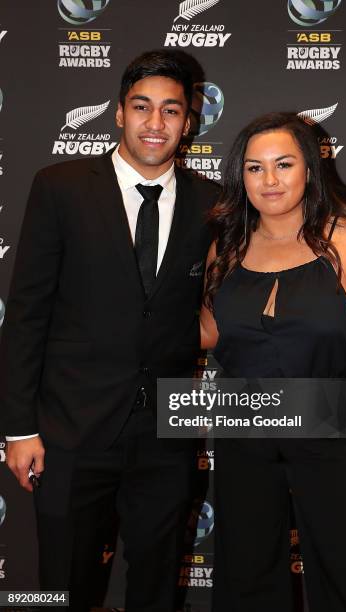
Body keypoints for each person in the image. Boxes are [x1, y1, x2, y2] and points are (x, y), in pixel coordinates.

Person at [0, 50, 219, 611]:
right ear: (119, 113)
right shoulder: (60, 186)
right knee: (60, 584)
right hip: (71, 429)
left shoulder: (210, 204)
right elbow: (26, 313)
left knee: (155, 582)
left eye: (171, 111)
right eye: (142, 107)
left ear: (188, 123)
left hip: (165, 433)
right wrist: (19, 428)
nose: (155, 123)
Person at [200, 112, 346, 611]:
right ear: (239, 175)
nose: (269, 181)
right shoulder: (225, 248)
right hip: (241, 426)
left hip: (329, 424)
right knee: (245, 571)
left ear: (309, 169)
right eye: (254, 168)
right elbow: (208, 332)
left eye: (283, 164)